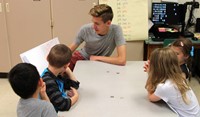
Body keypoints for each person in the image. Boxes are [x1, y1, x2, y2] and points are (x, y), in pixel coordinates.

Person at [69, 4, 126, 71]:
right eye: (93, 22)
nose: (93, 26)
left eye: (97, 24)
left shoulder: (116, 30)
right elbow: (70, 49)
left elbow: (122, 60)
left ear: (108, 23)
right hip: (80, 59)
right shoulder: (85, 29)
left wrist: (97, 58)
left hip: (98, 62)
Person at [145, 47, 200, 117]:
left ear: (156, 67)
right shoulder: (178, 77)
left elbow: (151, 97)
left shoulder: (166, 87)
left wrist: (150, 74)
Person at [41, 44, 80, 112]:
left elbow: (74, 85)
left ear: (47, 57)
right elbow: (63, 105)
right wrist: (76, 97)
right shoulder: (48, 81)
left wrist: (67, 69)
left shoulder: (56, 75)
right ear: (66, 65)